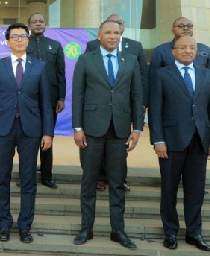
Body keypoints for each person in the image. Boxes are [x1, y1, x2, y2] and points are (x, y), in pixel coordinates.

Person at [72, 20, 144, 249]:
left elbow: (137, 96)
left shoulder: (131, 60)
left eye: (116, 32)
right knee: (89, 181)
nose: (113, 36)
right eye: (108, 32)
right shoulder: (85, 59)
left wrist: (137, 128)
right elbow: (78, 96)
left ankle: (118, 230)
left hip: (120, 130)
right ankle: (86, 228)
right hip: (91, 129)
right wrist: (78, 128)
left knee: (117, 182)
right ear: (99, 36)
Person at [0, 23, 54, 244]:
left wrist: (47, 132)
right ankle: (3, 224)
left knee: (28, 179)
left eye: (23, 36)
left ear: (28, 41)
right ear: (8, 41)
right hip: (2, 129)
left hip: (31, 130)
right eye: (15, 36)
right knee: (2, 178)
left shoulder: (39, 66)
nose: (20, 39)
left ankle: (25, 226)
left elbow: (46, 103)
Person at [148, 36, 210, 252]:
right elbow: (155, 110)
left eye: (192, 48)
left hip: (200, 141)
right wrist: (158, 139)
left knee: (196, 190)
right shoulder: (162, 75)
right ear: (174, 51)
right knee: (169, 190)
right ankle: (170, 232)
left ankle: (194, 233)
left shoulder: (208, 75)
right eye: (183, 47)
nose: (188, 51)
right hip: (171, 142)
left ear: (197, 52)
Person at [86, 14, 147, 192]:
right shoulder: (92, 46)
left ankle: (119, 179)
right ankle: (100, 178)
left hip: (122, 108)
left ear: (123, 27)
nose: (115, 30)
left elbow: (142, 76)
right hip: (99, 110)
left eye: (119, 24)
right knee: (98, 147)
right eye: (110, 28)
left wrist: (143, 103)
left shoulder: (135, 46)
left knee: (120, 148)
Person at [22, 13, 66, 189]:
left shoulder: (55, 45)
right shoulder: (23, 44)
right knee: (28, 140)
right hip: (28, 100)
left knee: (48, 138)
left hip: (50, 100)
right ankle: (27, 177)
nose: (38, 24)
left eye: (41, 22)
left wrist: (61, 97)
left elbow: (61, 73)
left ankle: (46, 177)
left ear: (45, 25)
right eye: (34, 22)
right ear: (29, 26)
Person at [149, 17, 210, 93]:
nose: (186, 28)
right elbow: (153, 78)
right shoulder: (161, 50)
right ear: (172, 30)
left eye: (189, 26)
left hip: (200, 98)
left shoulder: (204, 49)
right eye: (181, 26)